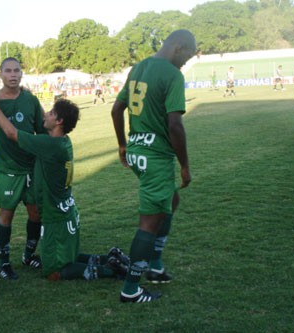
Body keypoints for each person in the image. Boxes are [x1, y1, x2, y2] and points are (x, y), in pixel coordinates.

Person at [0, 96, 130, 281]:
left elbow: (12, 133)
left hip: (56, 218)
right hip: (66, 211)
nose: (46, 114)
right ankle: (110, 259)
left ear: (59, 121)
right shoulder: (62, 141)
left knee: (53, 272)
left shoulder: (50, 145)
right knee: (67, 258)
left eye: (51, 113)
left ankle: (110, 271)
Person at [111, 29, 196, 303]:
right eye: (186, 57)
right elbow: (175, 125)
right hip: (156, 156)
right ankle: (131, 288)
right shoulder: (172, 74)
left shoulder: (139, 67)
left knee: (171, 200)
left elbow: (116, 109)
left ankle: (155, 265)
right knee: (149, 222)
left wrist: (123, 145)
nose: (184, 63)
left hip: (137, 151)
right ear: (179, 47)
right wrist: (184, 165)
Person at [0, 57, 45, 280]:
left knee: (35, 213)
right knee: (6, 214)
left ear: (22, 74)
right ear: (0, 74)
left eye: (17, 70)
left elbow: (42, 131)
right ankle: (4, 263)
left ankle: (28, 255)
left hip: (31, 168)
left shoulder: (31, 101)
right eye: (8, 71)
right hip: (7, 170)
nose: (13, 74)